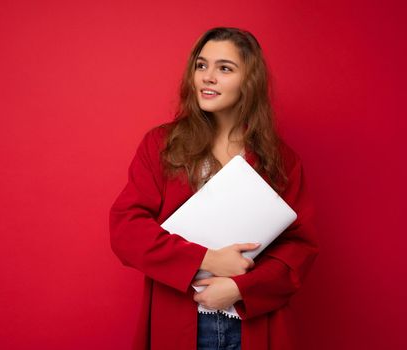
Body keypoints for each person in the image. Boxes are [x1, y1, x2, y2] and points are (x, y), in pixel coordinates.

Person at [109, 27, 320, 350]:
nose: (208, 77)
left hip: (253, 324)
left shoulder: (281, 159)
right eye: (201, 65)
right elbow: (126, 229)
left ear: (249, 80)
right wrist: (205, 258)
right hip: (179, 317)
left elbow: (298, 248)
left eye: (224, 68)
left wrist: (241, 288)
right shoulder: (162, 145)